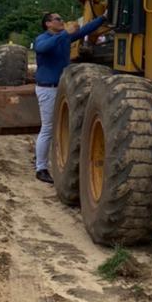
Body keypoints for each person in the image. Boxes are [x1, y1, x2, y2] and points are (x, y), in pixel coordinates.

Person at [33, 10, 107, 183]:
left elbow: (85, 30)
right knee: (48, 128)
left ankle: (41, 158)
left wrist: (103, 18)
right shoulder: (43, 39)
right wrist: (66, 33)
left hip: (60, 89)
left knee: (58, 127)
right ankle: (40, 167)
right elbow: (43, 48)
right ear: (48, 24)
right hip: (47, 89)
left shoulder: (62, 38)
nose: (62, 21)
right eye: (58, 19)